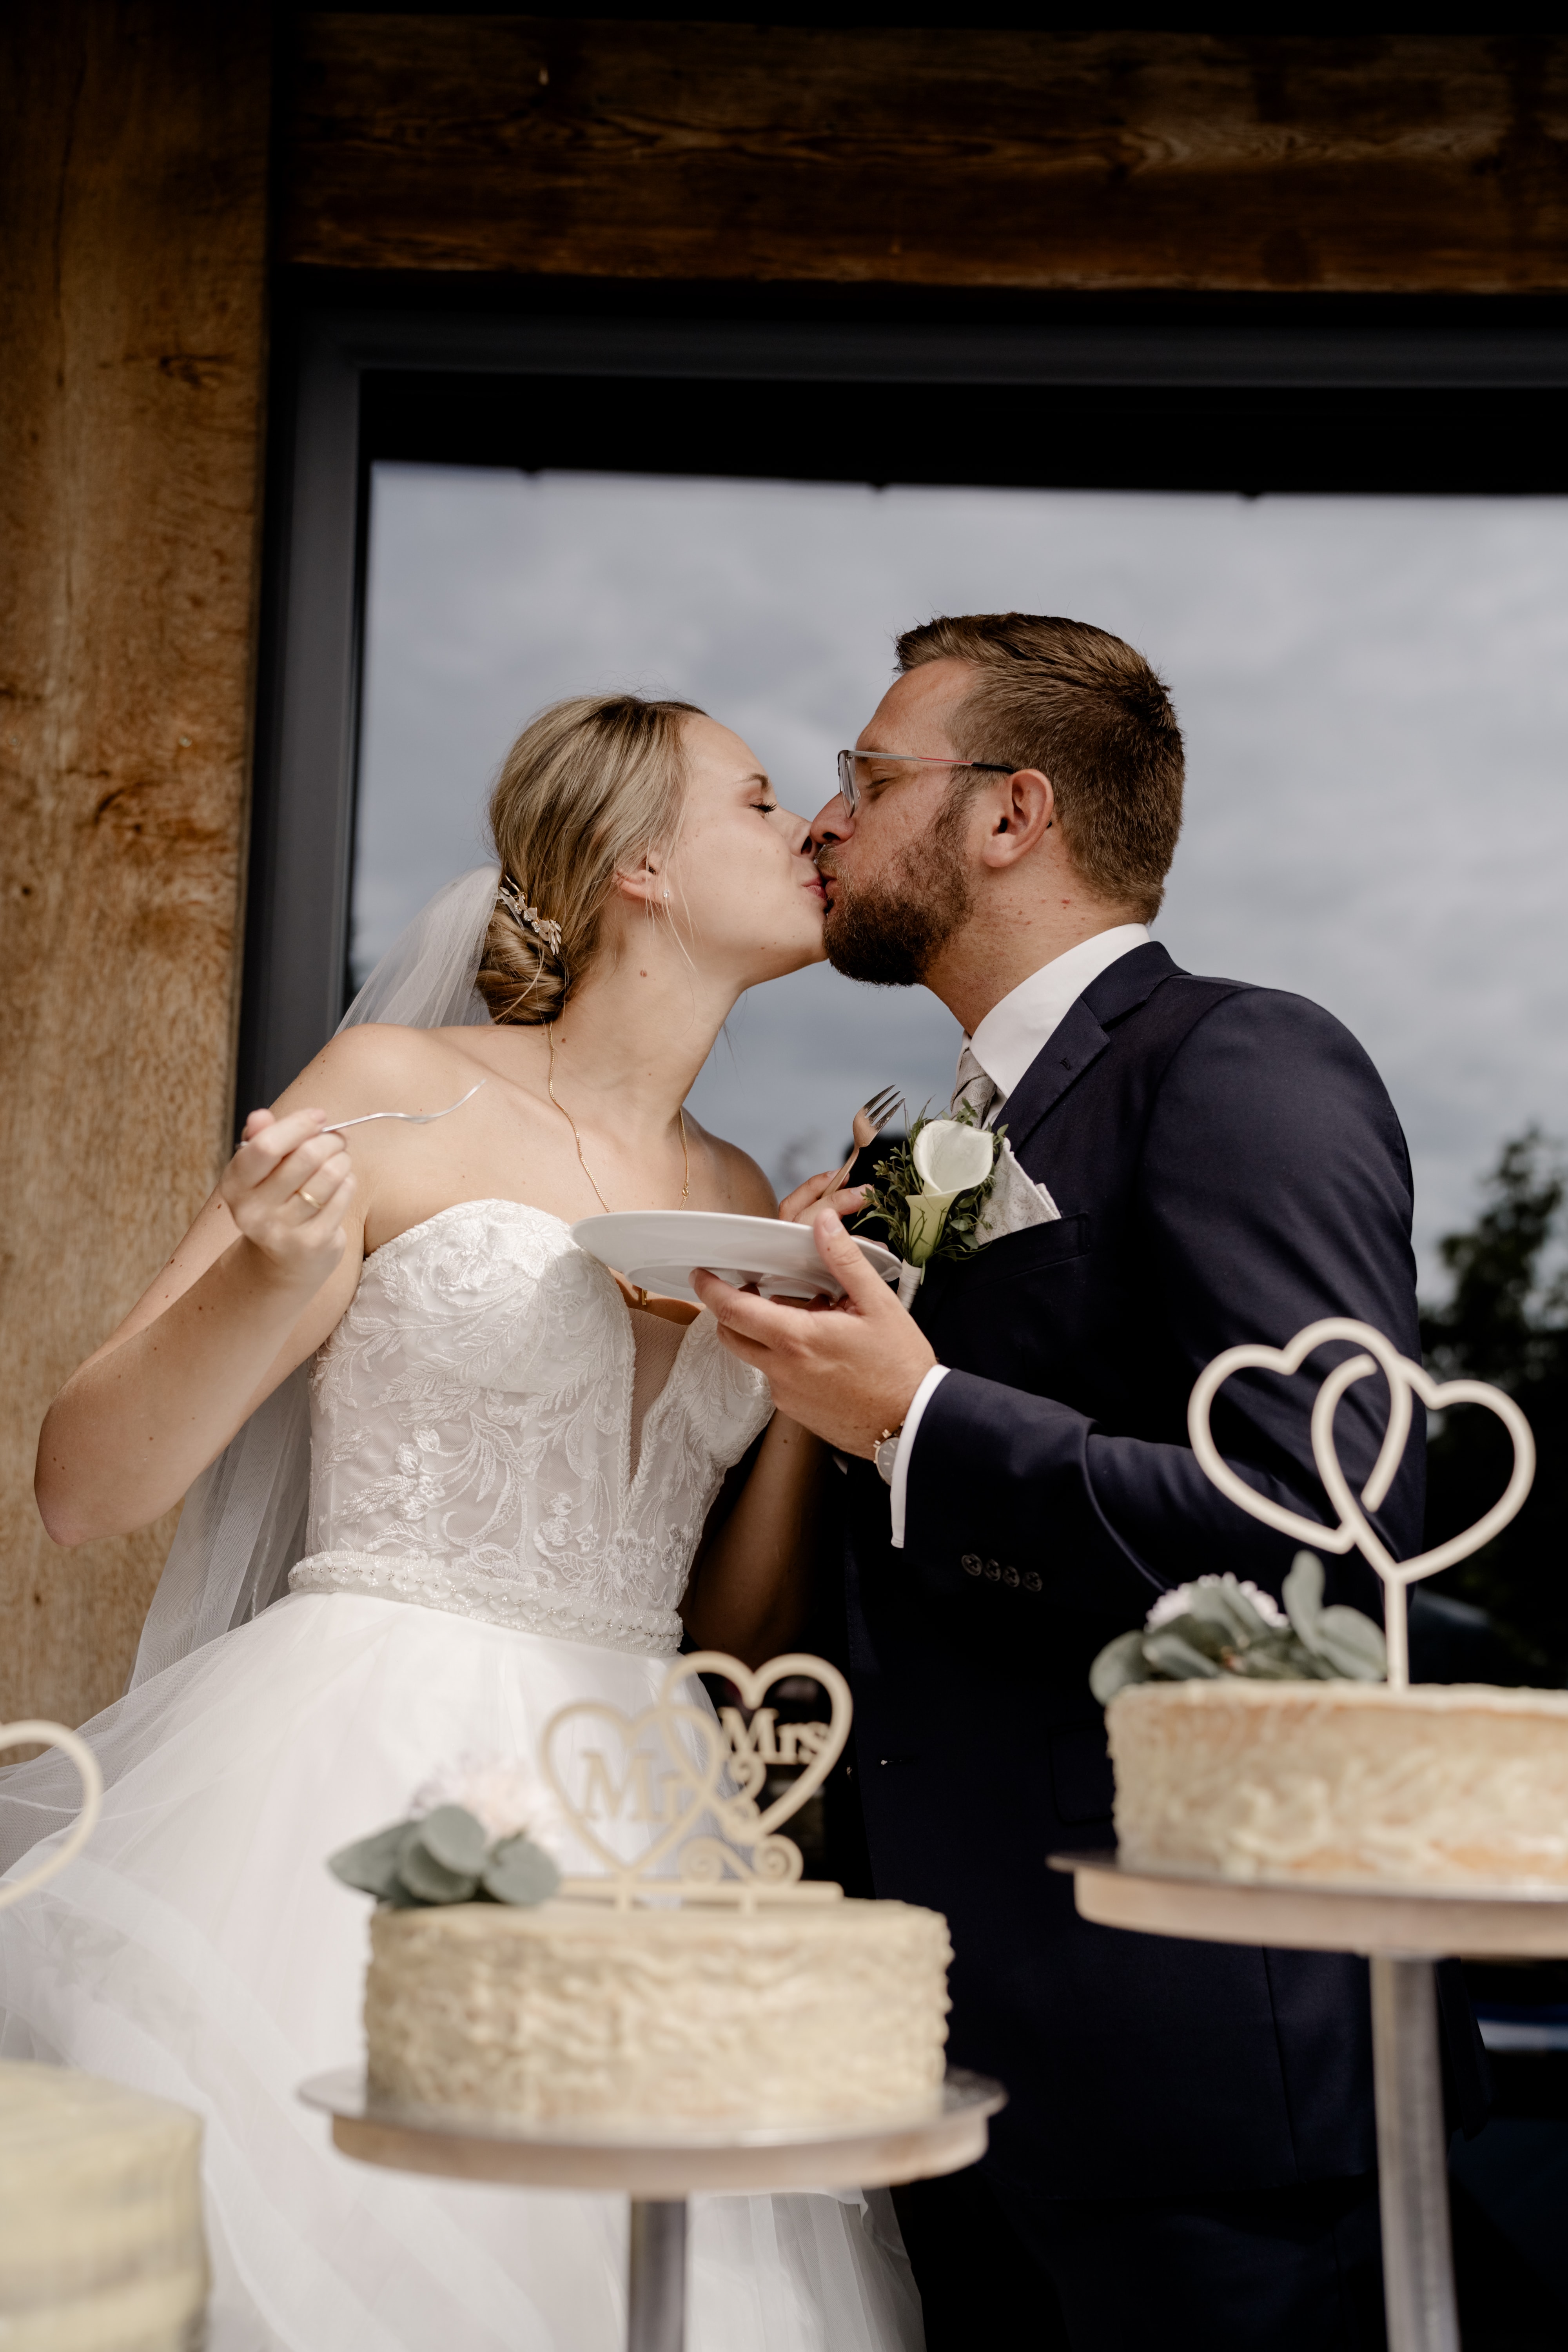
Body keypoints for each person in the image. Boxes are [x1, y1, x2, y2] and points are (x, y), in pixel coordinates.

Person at [2, 695, 923, 2352]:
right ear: (638, 861)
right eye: (764, 797)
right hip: (353, 1781)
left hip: (645, 1805)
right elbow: (87, 1490)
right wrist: (275, 1270)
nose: (809, 830)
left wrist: (801, 1389)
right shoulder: (396, 1089)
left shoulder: (734, 1194)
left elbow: (729, 1628)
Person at [693, 614, 1486, 2351]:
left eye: (864, 776)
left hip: (1187, 2068)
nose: (825, 821)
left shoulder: (1238, 1061)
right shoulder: (917, 1145)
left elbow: (1330, 1536)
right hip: (931, 2050)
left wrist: (922, 1420)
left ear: (1009, 815)